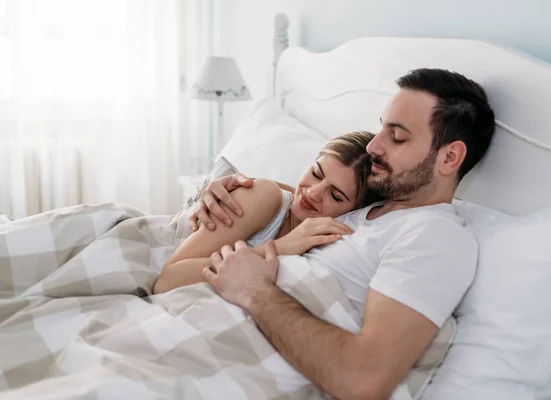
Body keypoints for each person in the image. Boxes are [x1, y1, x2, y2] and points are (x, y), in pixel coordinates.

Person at [191, 68, 496, 399]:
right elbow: (308, 197)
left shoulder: (436, 236)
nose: (375, 147)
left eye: (397, 137)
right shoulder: (366, 213)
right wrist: (231, 186)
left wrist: (254, 291)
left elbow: (363, 380)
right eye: (381, 128)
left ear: (449, 157)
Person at [153, 131, 383, 294]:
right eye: (316, 173)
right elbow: (168, 280)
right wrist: (280, 248)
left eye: (335, 195)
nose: (312, 193)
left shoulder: (336, 243)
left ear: (354, 212)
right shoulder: (265, 196)